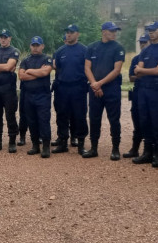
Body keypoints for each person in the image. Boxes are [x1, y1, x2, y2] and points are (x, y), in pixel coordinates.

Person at [133, 21, 158, 167]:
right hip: (144, 89)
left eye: (153, 30)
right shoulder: (145, 50)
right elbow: (138, 73)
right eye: (149, 30)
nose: (151, 32)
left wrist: (144, 71)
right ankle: (147, 153)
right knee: (145, 121)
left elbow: (157, 70)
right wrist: (151, 71)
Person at [84, 21, 125, 160]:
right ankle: (93, 148)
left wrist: (99, 83)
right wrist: (94, 84)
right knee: (94, 119)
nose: (114, 33)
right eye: (111, 31)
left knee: (114, 119)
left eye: (115, 31)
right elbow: (87, 68)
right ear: (103, 31)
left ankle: (115, 149)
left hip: (111, 88)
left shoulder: (118, 48)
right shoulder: (92, 47)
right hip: (94, 88)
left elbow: (117, 70)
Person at [52, 24, 89, 154]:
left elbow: (88, 68)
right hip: (63, 87)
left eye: (71, 32)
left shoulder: (84, 50)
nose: (69, 34)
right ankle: (62, 142)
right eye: (67, 32)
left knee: (79, 115)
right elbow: (58, 68)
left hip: (78, 87)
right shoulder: (60, 51)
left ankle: (80, 144)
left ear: (77, 34)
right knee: (62, 115)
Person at [18, 36, 53, 158]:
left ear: (42, 46)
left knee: (43, 120)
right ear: (30, 46)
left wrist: (29, 71)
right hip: (28, 95)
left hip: (42, 95)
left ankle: (46, 146)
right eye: (33, 45)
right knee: (31, 120)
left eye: (38, 45)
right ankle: (35, 145)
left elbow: (45, 72)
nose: (35, 47)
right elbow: (21, 76)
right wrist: (37, 73)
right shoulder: (25, 60)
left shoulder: (47, 59)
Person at [123, 34, 150, 158]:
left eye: (145, 42)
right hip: (137, 93)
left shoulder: (154, 59)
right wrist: (148, 74)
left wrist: (141, 73)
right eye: (141, 43)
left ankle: (149, 151)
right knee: (137, 121)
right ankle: (135, 149)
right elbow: (131, 77)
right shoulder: (136, 59)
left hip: (150, 93)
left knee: (149, 122)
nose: (142, 45)